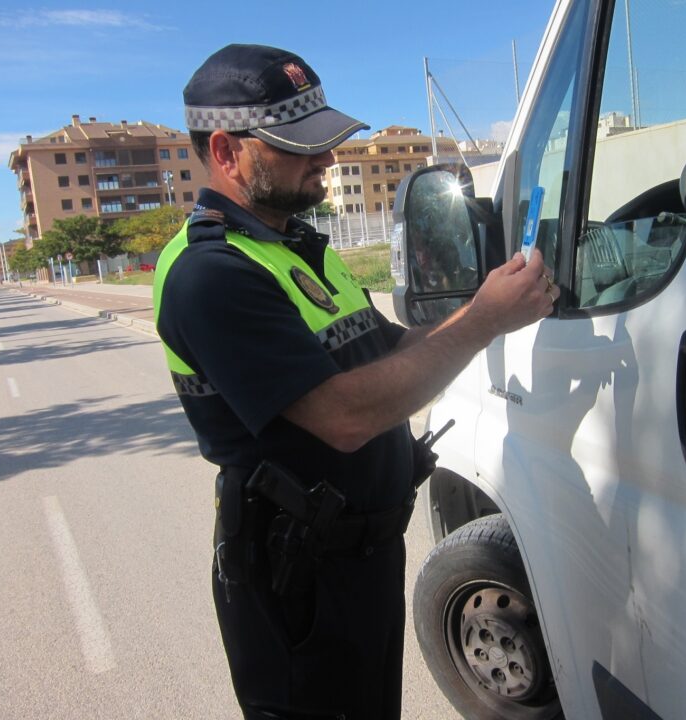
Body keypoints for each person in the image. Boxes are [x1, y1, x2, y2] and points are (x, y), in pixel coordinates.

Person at [152, 44, 560, 720]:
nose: (328, 160)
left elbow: (392, 352)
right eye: (300, 146)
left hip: (355, 562)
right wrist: (485, 320)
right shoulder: (211, 276)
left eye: (327, 141)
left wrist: (489, 304)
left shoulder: (294, 248)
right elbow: (344, 415)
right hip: (296, 588)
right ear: (225, 152)